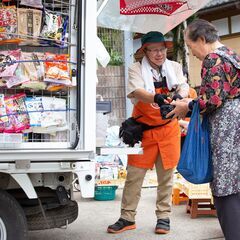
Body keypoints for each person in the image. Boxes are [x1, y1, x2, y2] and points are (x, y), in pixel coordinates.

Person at [107, 31, 189, 234]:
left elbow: (184, 86)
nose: (159, 54)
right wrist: (156, 98)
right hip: (143, 132)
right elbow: (136, 92)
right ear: (145, 51)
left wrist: (180, 95)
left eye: (161, 49)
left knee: (166, 177)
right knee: (134, 176)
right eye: (153, 50)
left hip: (168, 130)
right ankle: (127, 217)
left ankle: (163, 217)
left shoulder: (174, 67)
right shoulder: (136, 69)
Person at [167, 19, 240, 240]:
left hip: (227, 128)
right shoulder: (231, 53)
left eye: (190, 47)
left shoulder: (212, 58)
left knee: (225, 186)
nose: (192, 53)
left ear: (201, 39)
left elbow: (213, 100)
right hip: (236, 123)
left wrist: (186, 105)